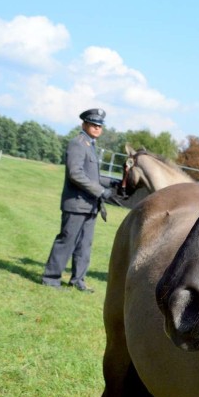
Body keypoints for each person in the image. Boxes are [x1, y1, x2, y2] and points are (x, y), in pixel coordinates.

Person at [42, 108, 116, 292]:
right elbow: (75, 174)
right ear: (84, 124)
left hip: (89, 206)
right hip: (76, 204)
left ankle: (78, 281)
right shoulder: (77, 143)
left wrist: (113, 183)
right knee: (67, 241)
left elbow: (92, 176)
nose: (97, 128)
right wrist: (100, 191)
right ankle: (51, 278)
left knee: (84, 245)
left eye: (100, 126)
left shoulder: (90, 145)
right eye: (93, 124)